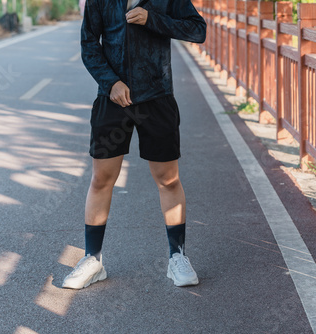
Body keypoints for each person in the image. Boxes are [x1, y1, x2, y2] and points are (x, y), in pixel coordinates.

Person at [62, 0, 206, 289]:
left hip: (157, 97)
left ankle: (177, 256)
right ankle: (92, 259)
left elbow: (197, 30)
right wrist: (110, 82)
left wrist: (153, 19)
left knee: (168, 179)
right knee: (102, 179)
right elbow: (89, 43)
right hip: (112, 100)